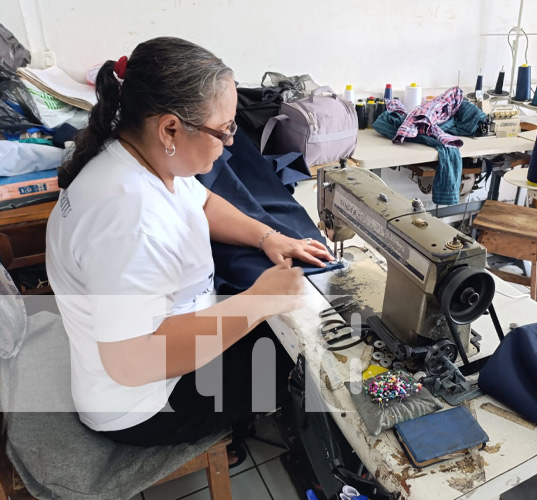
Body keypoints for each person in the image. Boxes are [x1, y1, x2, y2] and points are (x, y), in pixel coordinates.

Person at [45, 37, 334, 462]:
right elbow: (132, 362)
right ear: (170, 128)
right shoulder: (128, 221)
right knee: (300, 362)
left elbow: (201, 200)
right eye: (224, 130)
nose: (232, 142)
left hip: (149, 354)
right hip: (143, 403)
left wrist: (268, 237)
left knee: (280, 327)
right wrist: (258, 302)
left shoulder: (138, 153)